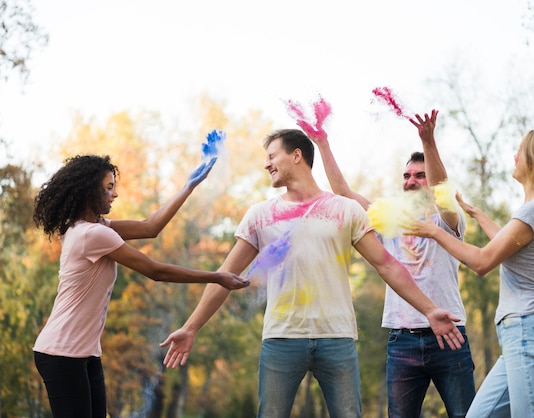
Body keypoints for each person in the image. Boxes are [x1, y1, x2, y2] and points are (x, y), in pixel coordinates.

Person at [160, 128, 466, 418]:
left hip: (337, 338)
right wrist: (191, 327)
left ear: (296, 155)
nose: (266, 164)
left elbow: (386, 265)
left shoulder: (345, 210)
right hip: (281, 338)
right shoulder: (260, 215)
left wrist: (429, 310)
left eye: (271, 155)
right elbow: (223, 276)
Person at [32, 154, 249, 418]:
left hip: (84, 352)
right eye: (108, 187)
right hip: (61, 353)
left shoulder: (92, 227)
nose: (115, 194)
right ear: (89, 191)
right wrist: (217, 276)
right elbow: (155, 270)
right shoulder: (92, 235)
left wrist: (188, 186)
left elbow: (150, 227)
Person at [304, 109, 476, 418]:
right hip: (402, 340)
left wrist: (428, 141)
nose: (410, 181)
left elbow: (442, 194)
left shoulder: (448, 220)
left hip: (449, 336)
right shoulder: (388, 221)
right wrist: (322, 143)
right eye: (407, 176)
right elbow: (343, 193)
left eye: (419, 176)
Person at [404, 129, 534, 417]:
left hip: (528, 331)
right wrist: (477, 213)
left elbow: (483, 261)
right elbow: (504, 244)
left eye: (521, 150)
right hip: (521, 334)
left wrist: (434, 232)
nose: (515, 156)